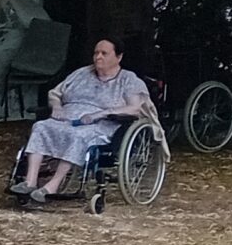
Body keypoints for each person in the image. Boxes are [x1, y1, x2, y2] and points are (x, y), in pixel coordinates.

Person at [13, 38, 156, 202]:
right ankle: (30, 181)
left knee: (79, 135)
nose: (98, 57)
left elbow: (134, 108)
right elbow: (55, 93)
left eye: (104, 53)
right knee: (40, 126)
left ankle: (52, 185)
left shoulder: (128, 80)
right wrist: (57, 107)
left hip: (101, 123)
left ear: (119, 57)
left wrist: (102, 113)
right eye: (96, 53)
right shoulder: (81, 73)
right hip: (67, 118)